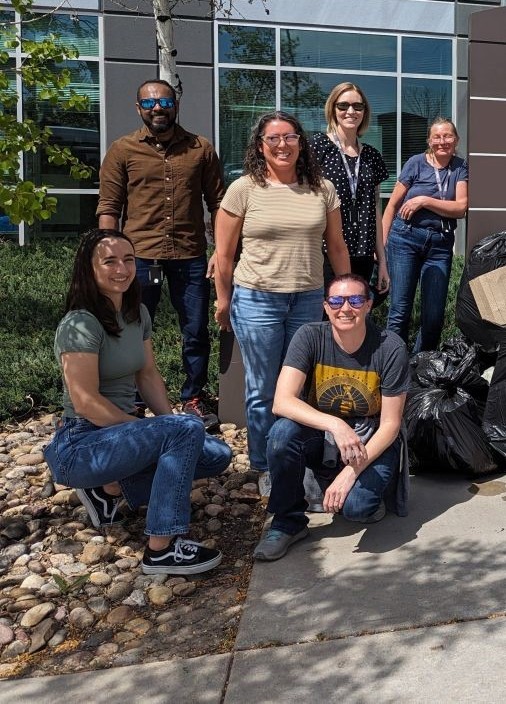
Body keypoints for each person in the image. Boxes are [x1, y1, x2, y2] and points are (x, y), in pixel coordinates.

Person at [44, 229, 231, 575]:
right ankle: (162, 548)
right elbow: (85, 403)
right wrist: (161, 430)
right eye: (110, 261)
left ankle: (110, 487)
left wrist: (174, 428)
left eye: (129, 259)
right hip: (82, 442)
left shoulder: (137, 313)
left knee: (218, 455)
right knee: (183, 430)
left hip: (117, 436)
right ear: (89, 268)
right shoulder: (80, 324)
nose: (122, 268)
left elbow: (148, 377)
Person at [214, 111, 350, 495]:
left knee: (302, 387)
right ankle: (266, 465)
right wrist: (223, 300)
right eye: (273, 138)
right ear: (260, 146)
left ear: (301, 143)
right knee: (262, 389)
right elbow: (224, 255)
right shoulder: (243, 189)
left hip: (307, 299)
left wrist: (345, 292)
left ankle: (297, 458)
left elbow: (336, 246)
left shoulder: (321, 189)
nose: (282, 145)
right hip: (257, 299)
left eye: (290, 137)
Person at [253, 272, 409, 561]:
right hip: (324, 433)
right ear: (326, 307)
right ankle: (288, 522)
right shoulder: (310, 336)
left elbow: (390, 425)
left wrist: (351, 473)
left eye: (355, 300)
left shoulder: (390, 347)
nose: (345, 308)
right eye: (336, 300)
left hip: (371, 435)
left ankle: (347, 485)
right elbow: (282, 401)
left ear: (368, 305)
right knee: (281, 434)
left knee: (358, 509)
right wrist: (336, 425)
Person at [97, 79, 225, 429]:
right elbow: (109, 205)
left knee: (196, 330)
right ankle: (133, 401)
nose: (158, 109)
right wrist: (108, 253)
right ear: (138, 108)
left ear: (176, 107)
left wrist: (221, 250)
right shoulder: (122, 150)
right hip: (139, 256)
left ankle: (194, 397)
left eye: (165, 103)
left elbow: (218, 204)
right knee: (132, 329)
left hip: (190, 255)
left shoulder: (200, 149)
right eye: (150, 103)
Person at [382, 117, 468, 353]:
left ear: (456, 140)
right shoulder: (416, 163)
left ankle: (420, 369)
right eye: (437, 137)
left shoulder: (460, 167)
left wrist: (424, 201)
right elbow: (391, 206)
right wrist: (382, 248)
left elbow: (460, 208)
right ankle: (393, 367)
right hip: (405, 239)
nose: (443, 141)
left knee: (433, 317)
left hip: (440, 245)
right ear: (430, 141)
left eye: (448, 136)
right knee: (400, 311)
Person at [310, 83, 390, 300]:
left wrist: (382, 260)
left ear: (365, 112)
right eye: (343, 105)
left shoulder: (372, 156)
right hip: (325, 252)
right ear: (332, 109)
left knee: (355, 315)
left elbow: (374, 209)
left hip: (362, 250)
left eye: (357, 106)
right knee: (327, 315)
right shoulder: (317, 146)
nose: (351, 112)